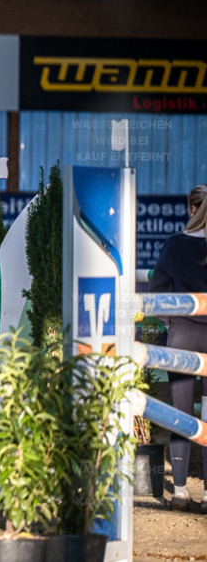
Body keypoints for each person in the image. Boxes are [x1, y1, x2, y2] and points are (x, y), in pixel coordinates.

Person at [149, 183, 207, 512]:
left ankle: (182, 491)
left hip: (183, 337)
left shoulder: (173, 246)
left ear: (191, 210)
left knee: (181, 415)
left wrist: (172, 325)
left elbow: (157, 293)